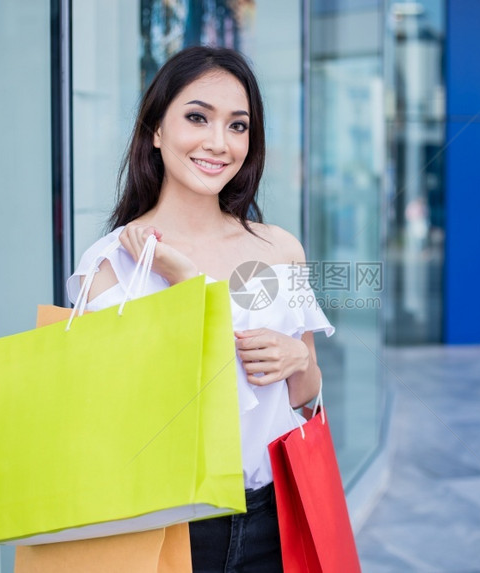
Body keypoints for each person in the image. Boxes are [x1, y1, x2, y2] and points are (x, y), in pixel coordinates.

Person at [66, 46, 334, 572]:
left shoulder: (279, 248)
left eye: (238, 126)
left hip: (275, 515)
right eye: (197, 117)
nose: (219, 142)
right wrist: (189, 290)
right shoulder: (115, 263)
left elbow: (305, 400)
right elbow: (125, 418)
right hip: (166, 525)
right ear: (156, 130)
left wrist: (299, 362)